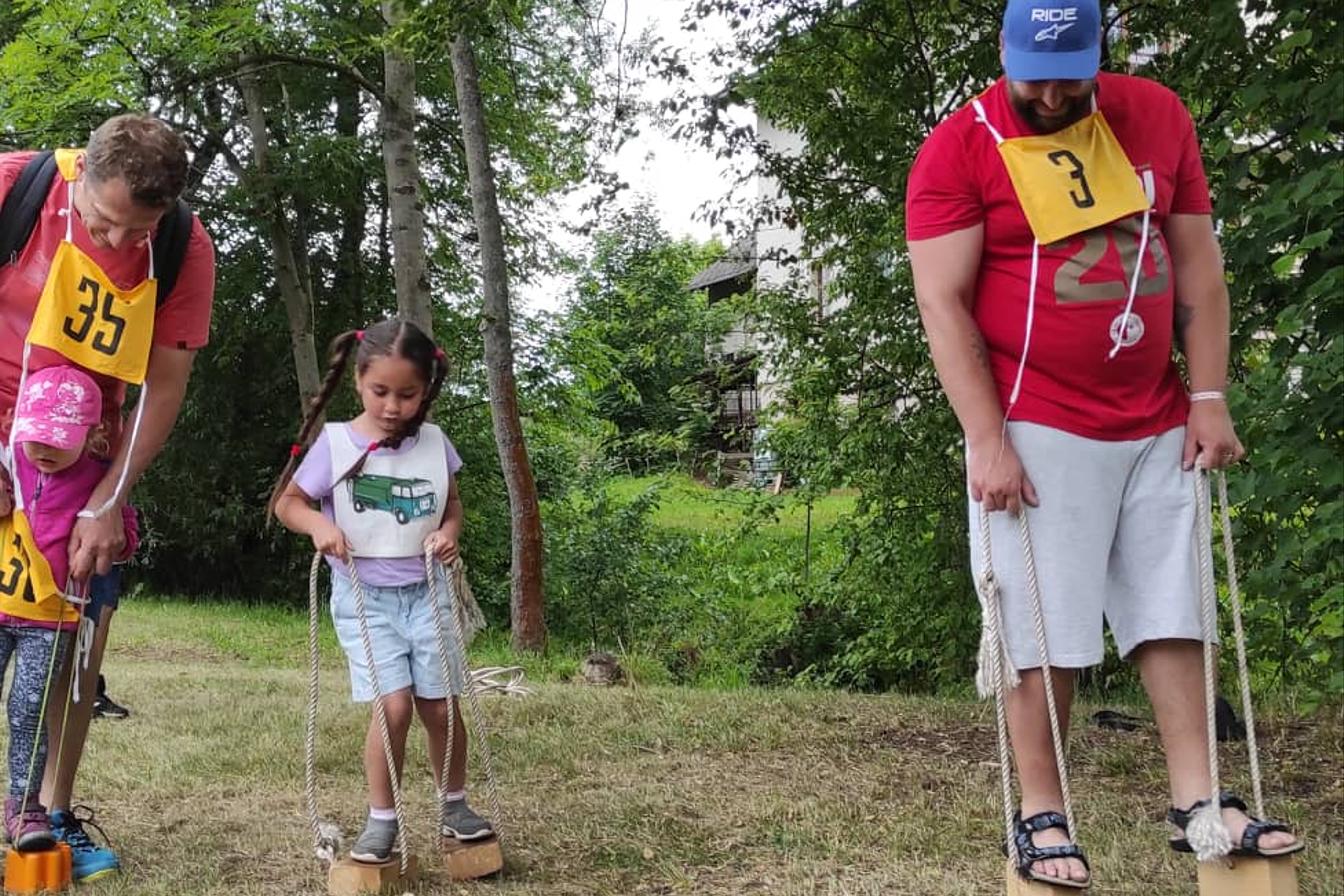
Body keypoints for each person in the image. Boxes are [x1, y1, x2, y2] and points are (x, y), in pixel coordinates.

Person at [905, 0, 1302, 888]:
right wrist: (985, 438)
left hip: (1155, 413)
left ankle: (1199, 802)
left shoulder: (1156, 115)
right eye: (1034, 78)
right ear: (1003, 52)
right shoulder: (959, 148)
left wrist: (1208, 395)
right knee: (1041, 620)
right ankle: (1043, 812)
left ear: (1102, 52)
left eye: (1071, 77)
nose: (1052, 96)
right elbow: (942, 301)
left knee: (1174, 606)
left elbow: (1196, 262)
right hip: (1035, 419)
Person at [0, 113, 215, 882]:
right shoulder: (15, 190)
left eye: (137, 229)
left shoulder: (184, 246)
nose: (119, 241)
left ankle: (48, 814)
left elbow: (165, 385)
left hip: (84, 462)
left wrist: (107, 497)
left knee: (74, 639)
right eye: (102, 221)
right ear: (79, 175)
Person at [270, 318, 494, 863]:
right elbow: (288, 503)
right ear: (358, 381)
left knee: (439, 705)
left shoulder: (435, 444)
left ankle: (455, 805)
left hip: (429, 592)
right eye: (380, 392)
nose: (393, 406)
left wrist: (448, 533)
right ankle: (382, 819)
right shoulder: (336, 444)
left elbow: (452, 505)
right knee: (392, 706)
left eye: (407, 394)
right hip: (365, 598)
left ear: (426, 389)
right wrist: (319, 527)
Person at [0, 366, 137, 851]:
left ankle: (25, 808)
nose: (44, 449)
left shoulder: (99, 482)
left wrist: (112, 533)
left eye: (58, 440)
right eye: (36, 435)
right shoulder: (10, 460)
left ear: (92, 435)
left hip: (49, 623)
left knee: (28, 710)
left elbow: (124, 535)